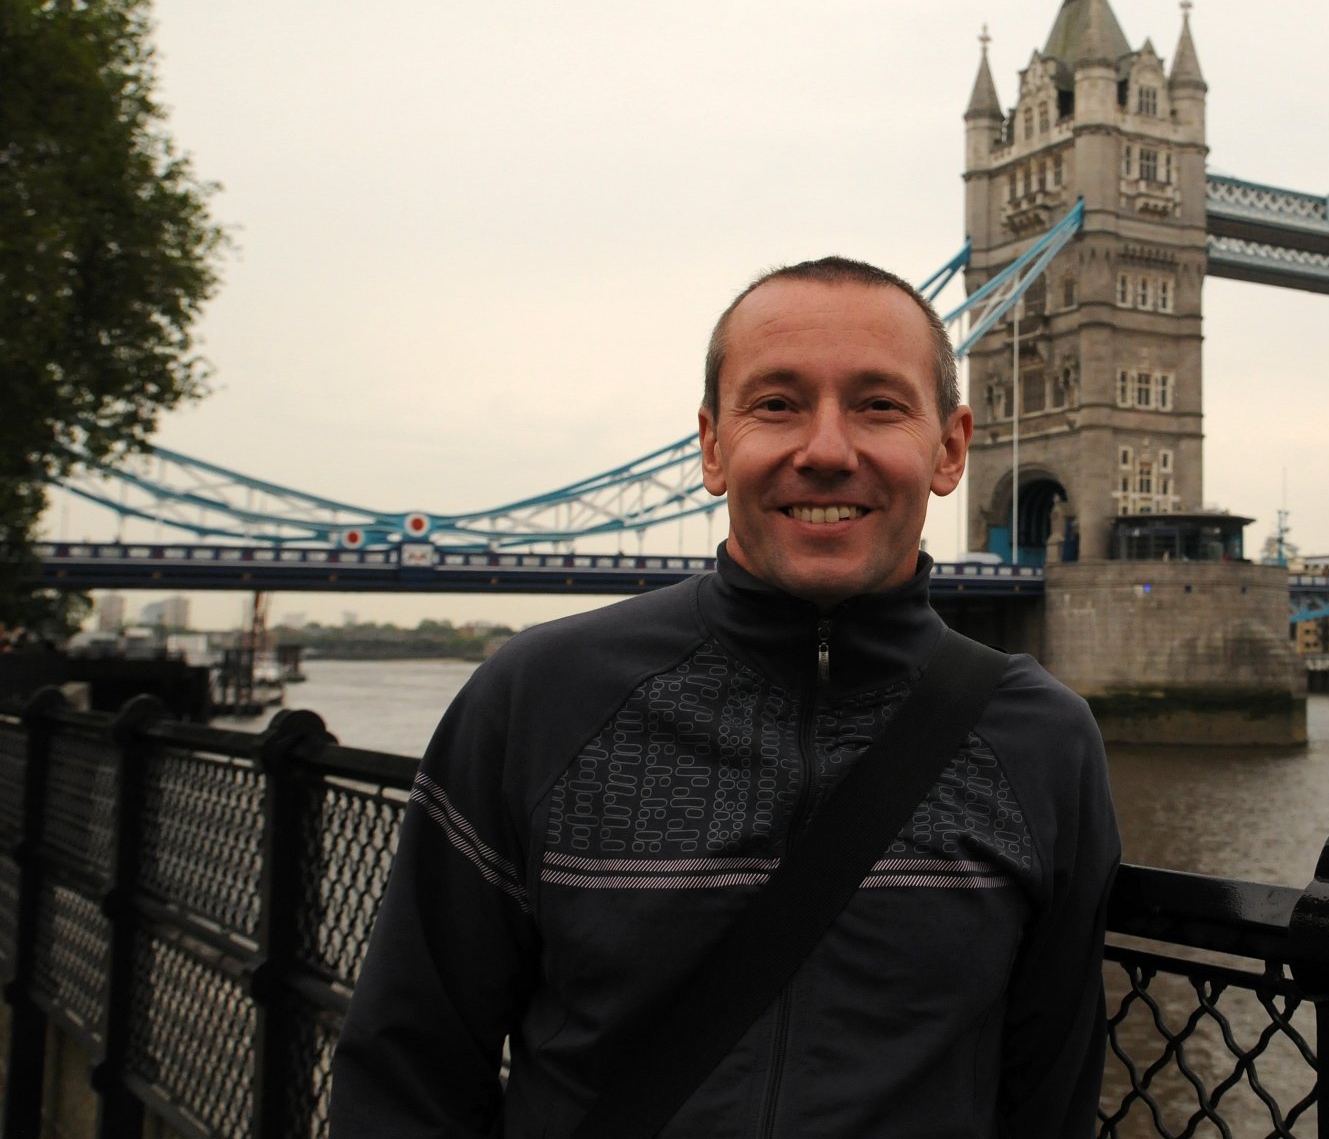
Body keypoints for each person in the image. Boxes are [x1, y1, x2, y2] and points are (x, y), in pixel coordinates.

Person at [331, 258, 1120, 1138]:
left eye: (879, 405)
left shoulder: (1043, 739)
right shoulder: (535, 700)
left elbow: (1050, 1104)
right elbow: (408, 1073)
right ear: (711, 446)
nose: (825, 450)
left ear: (950, 449)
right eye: (777, 404)